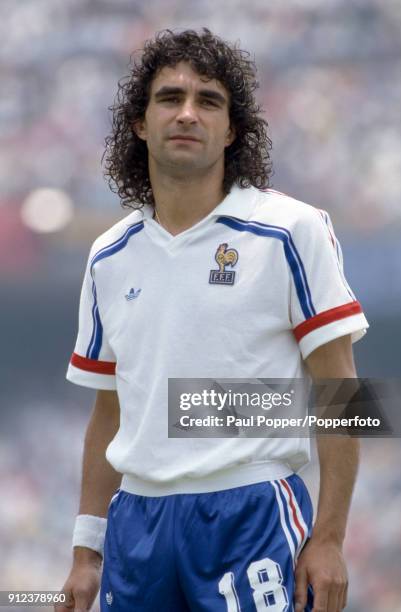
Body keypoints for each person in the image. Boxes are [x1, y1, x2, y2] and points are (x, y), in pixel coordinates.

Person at [57, 28, 369, 612]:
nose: (188, 113)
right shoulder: (108, 255)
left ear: (232, 130)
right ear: (139, 123)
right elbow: (110, 410)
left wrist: (328, 538)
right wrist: (85, 552)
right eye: (170, 98)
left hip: (250, 513)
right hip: (137, 527)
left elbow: (340, 392)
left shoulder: (290, 231)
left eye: (209, 101)